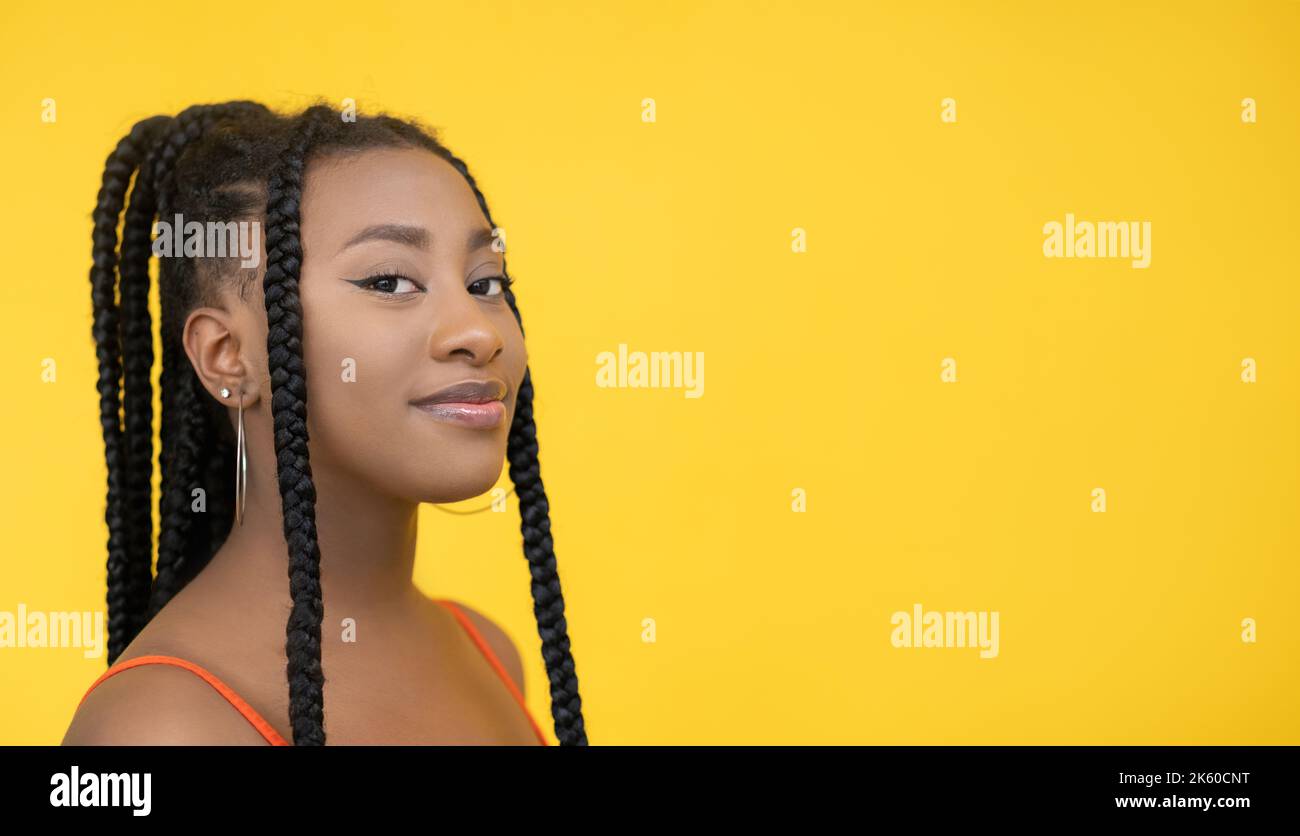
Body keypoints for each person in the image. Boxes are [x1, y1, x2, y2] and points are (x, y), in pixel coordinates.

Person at [61, 102, 587, 745]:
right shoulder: (157, 731)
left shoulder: (489, 652)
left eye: (484, 283)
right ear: (228, 356)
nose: (478, 332)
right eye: (390, 280)